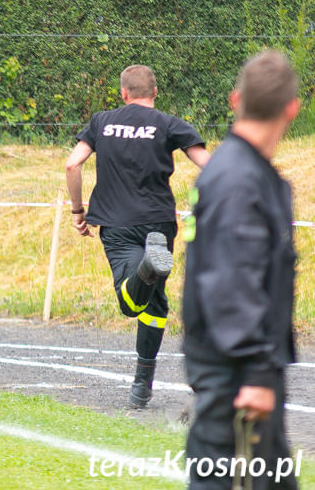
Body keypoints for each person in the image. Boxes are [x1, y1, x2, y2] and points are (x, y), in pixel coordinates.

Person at [183, 51, 299, 490]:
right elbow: (234, 281)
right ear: (292, 108)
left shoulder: (244, 172)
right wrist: (256, 373)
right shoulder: (239, 179)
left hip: (237, 367)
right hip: (235, 375)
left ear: (235, 100)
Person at [65, 64, 210, 408]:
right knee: (155, 304)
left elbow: (73, 164)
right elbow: (209, 163)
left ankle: (147, 267)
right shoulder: (169, 123)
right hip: (159, 223)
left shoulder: (102, 121)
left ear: (124, 93)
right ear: (155, 93)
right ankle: (141, 385)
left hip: (116, 224)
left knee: (131, 304)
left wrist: (77, 211)